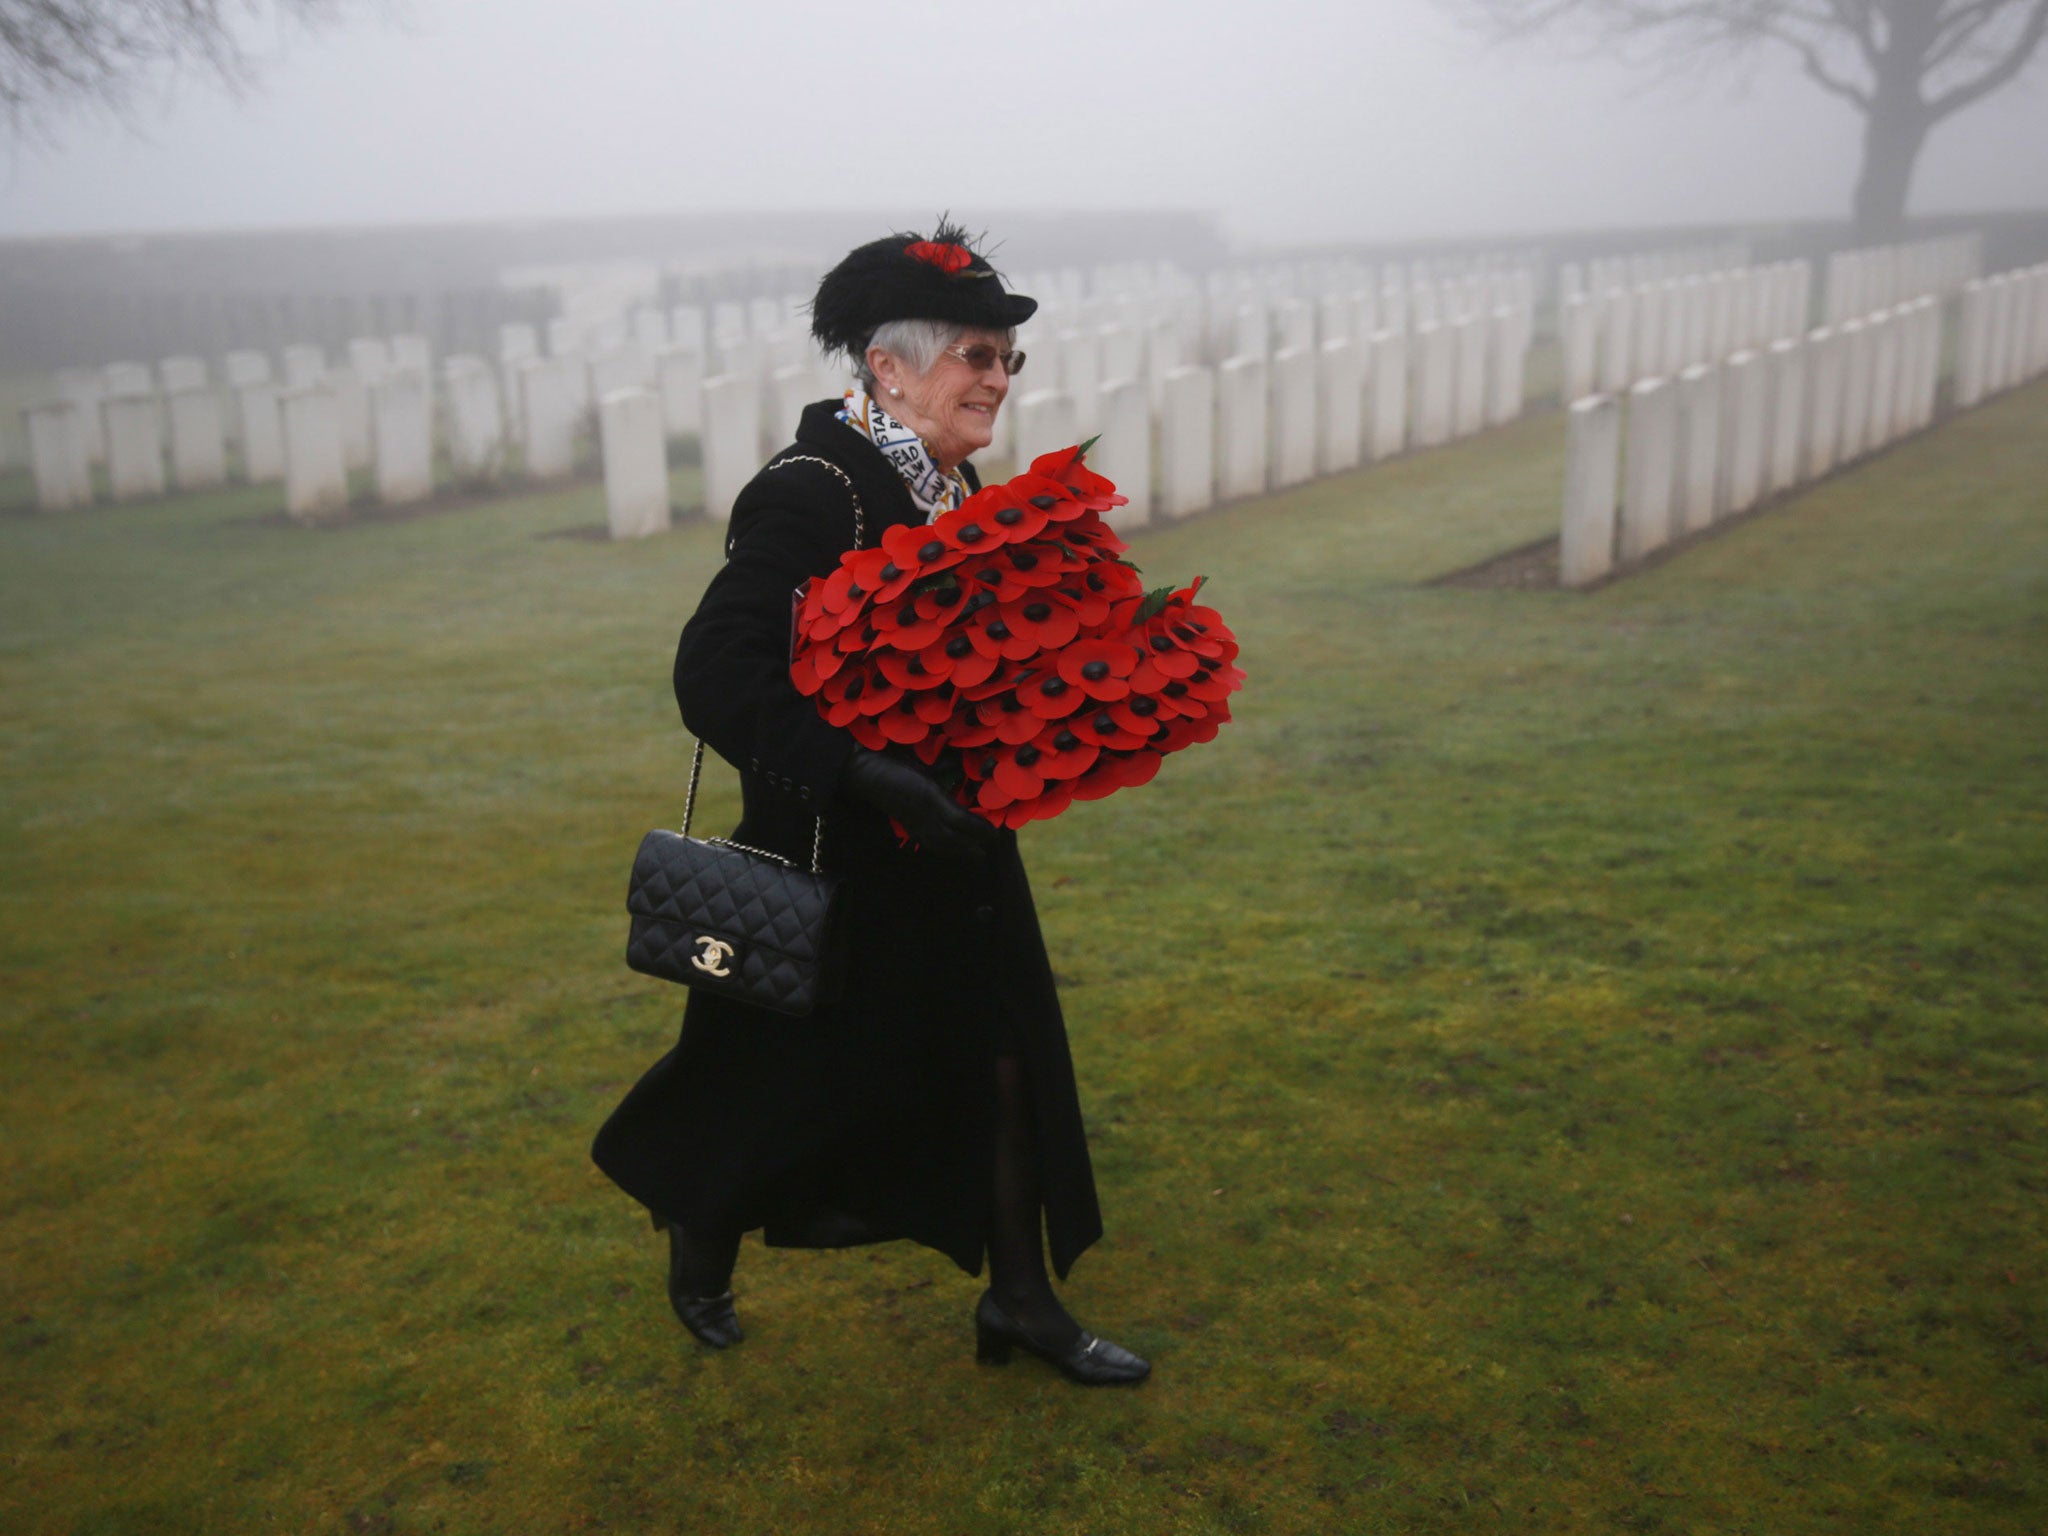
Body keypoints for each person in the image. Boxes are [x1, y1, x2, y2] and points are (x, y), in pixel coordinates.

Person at [591, 222, 1149, 1387]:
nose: (998, 382)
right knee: (767, 1094)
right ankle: (701, 1228)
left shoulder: (951, 481)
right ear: (886, 368)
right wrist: (860, 770)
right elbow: (716, 674)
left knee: (1000, 1061)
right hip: (829, 856)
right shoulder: (810, 494)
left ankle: (1020, 1300)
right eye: (975, 357)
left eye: (1007, 361)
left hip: (949, 843)